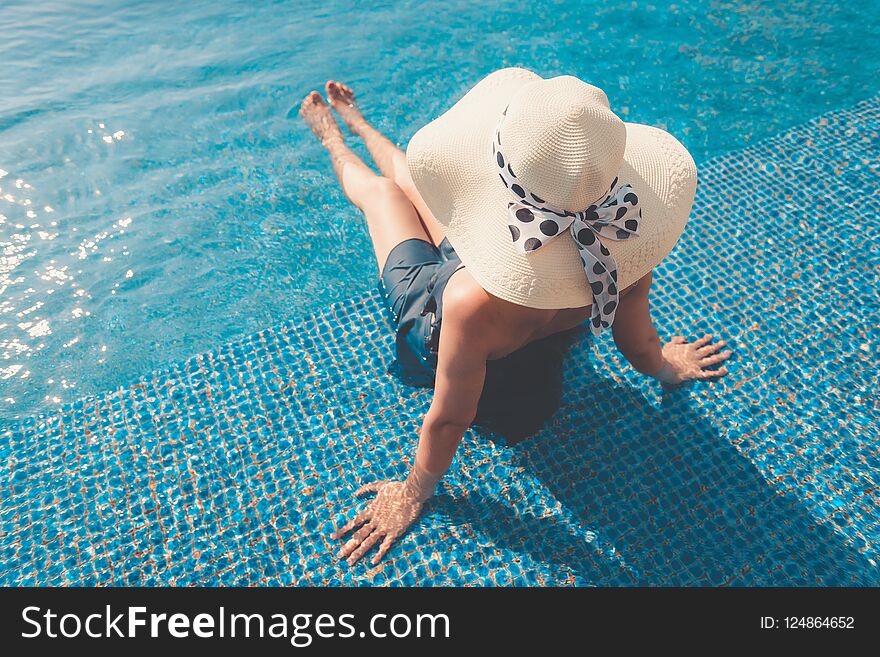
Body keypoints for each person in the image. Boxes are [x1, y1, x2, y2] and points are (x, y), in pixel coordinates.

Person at [299, 68, 731, 567]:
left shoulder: (468, 305)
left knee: (386, 195)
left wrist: (414, 491)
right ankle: (357, 123)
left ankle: (335, 136)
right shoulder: (624, 249)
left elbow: (449, 418)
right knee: (409, 180)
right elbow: (635, 342)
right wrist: (663, 366)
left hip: (431, 308)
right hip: (500, 295)